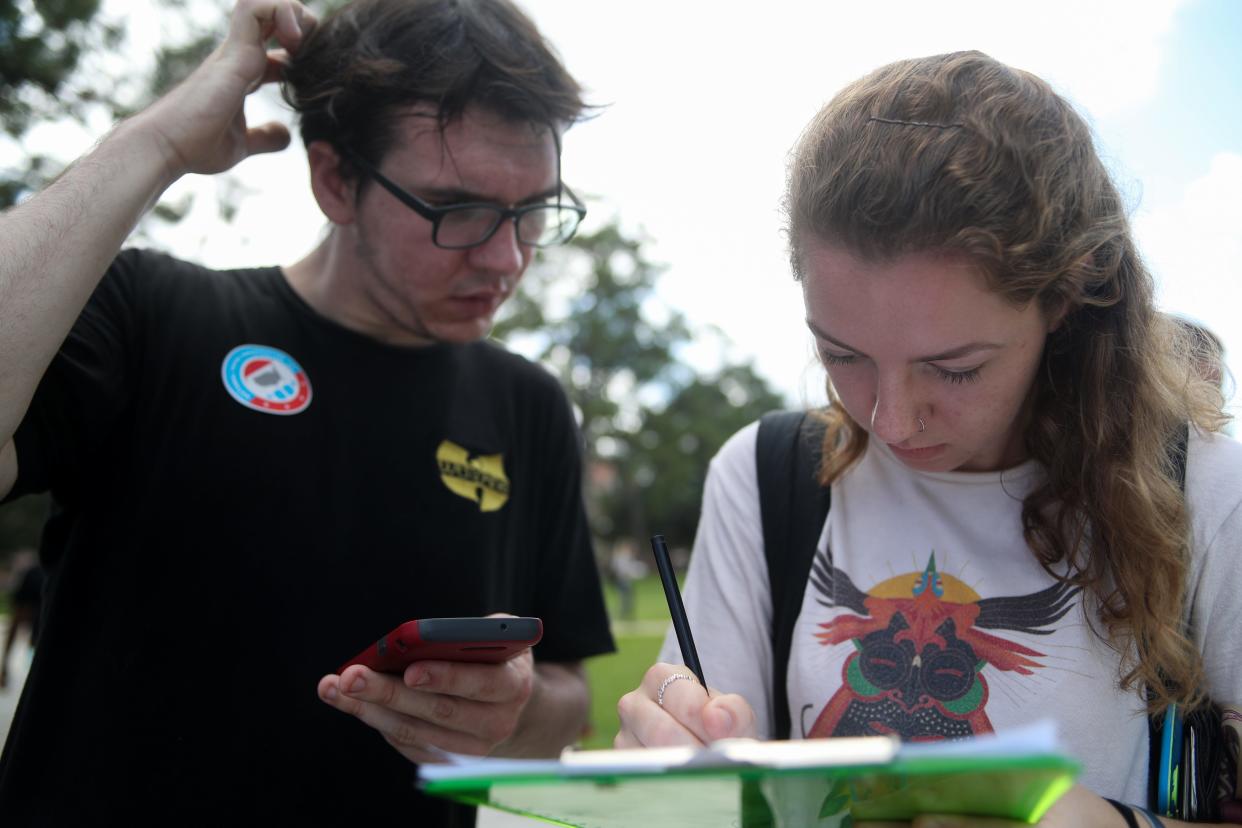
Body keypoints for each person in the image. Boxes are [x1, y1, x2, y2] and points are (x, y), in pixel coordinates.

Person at [0, 0, 613, 822]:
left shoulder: (529, 406)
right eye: (455, 209)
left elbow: (568, 696)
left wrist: (513, 712)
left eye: (533, 210)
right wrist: (156, 143)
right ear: (335, 180)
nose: (506, 258)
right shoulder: (153, 319)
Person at [617, 51, 1241, 826]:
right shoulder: (765, 475)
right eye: (841, 355)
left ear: (1067, 300)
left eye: (954, 368)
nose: (888, 421)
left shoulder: (1208, 493)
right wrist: (672, 759)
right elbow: (703, 784)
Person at [0, 550, 45, 691]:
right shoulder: (37, 575)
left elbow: (16, 621)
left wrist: (4, 666)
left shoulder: (37, 574)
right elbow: (17, 619)